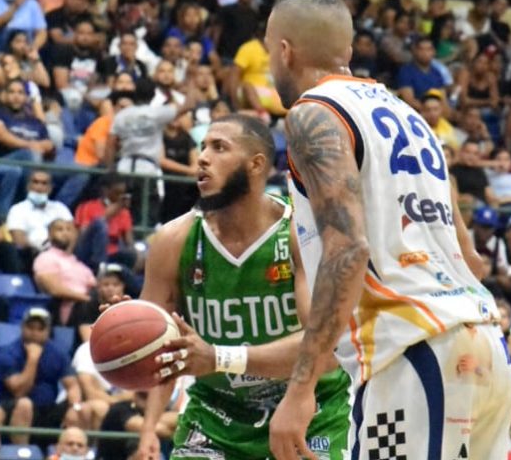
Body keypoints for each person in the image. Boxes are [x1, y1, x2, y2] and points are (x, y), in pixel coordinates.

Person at [264, 0, 511, 459]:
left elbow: (350, 250)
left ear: (284, 51)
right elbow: (472, 259)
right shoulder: (411, 116)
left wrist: (301, 389)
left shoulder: (313, 113)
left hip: (413, 352)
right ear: (349, 52)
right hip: (482, 346)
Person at [135, 115, 351, 460]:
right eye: (202, 147)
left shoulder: (299, 233)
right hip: (217, 418)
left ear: (256, 164)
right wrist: (127, 333)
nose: (203, 157)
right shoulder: (171, 242)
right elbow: (161, 350)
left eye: (219, 147)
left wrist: (219, 357)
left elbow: (324, 346)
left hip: (310, 408)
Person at [0, 308, 98, 442]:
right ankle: (22, 453)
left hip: (46, 409)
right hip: (11, 409)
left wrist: (74, 406)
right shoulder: (8, 353)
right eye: (31, 327)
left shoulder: (57, 353)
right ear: (22, 327)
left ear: (47, 331)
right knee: (25, 404)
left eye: (40, 329)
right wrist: (32, 359)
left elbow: (72, 386)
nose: (35, 333)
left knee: (83, 409)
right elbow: (19, 391)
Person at [33, 219, 94, 325]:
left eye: (69, 229)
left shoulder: (79, 264)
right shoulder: (46, 258)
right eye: (59, 229)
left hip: (89, 305)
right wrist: (87, 299)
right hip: (68, 310)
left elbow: (95, 285)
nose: (65, 233)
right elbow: (55, 290)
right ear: (50, 235)